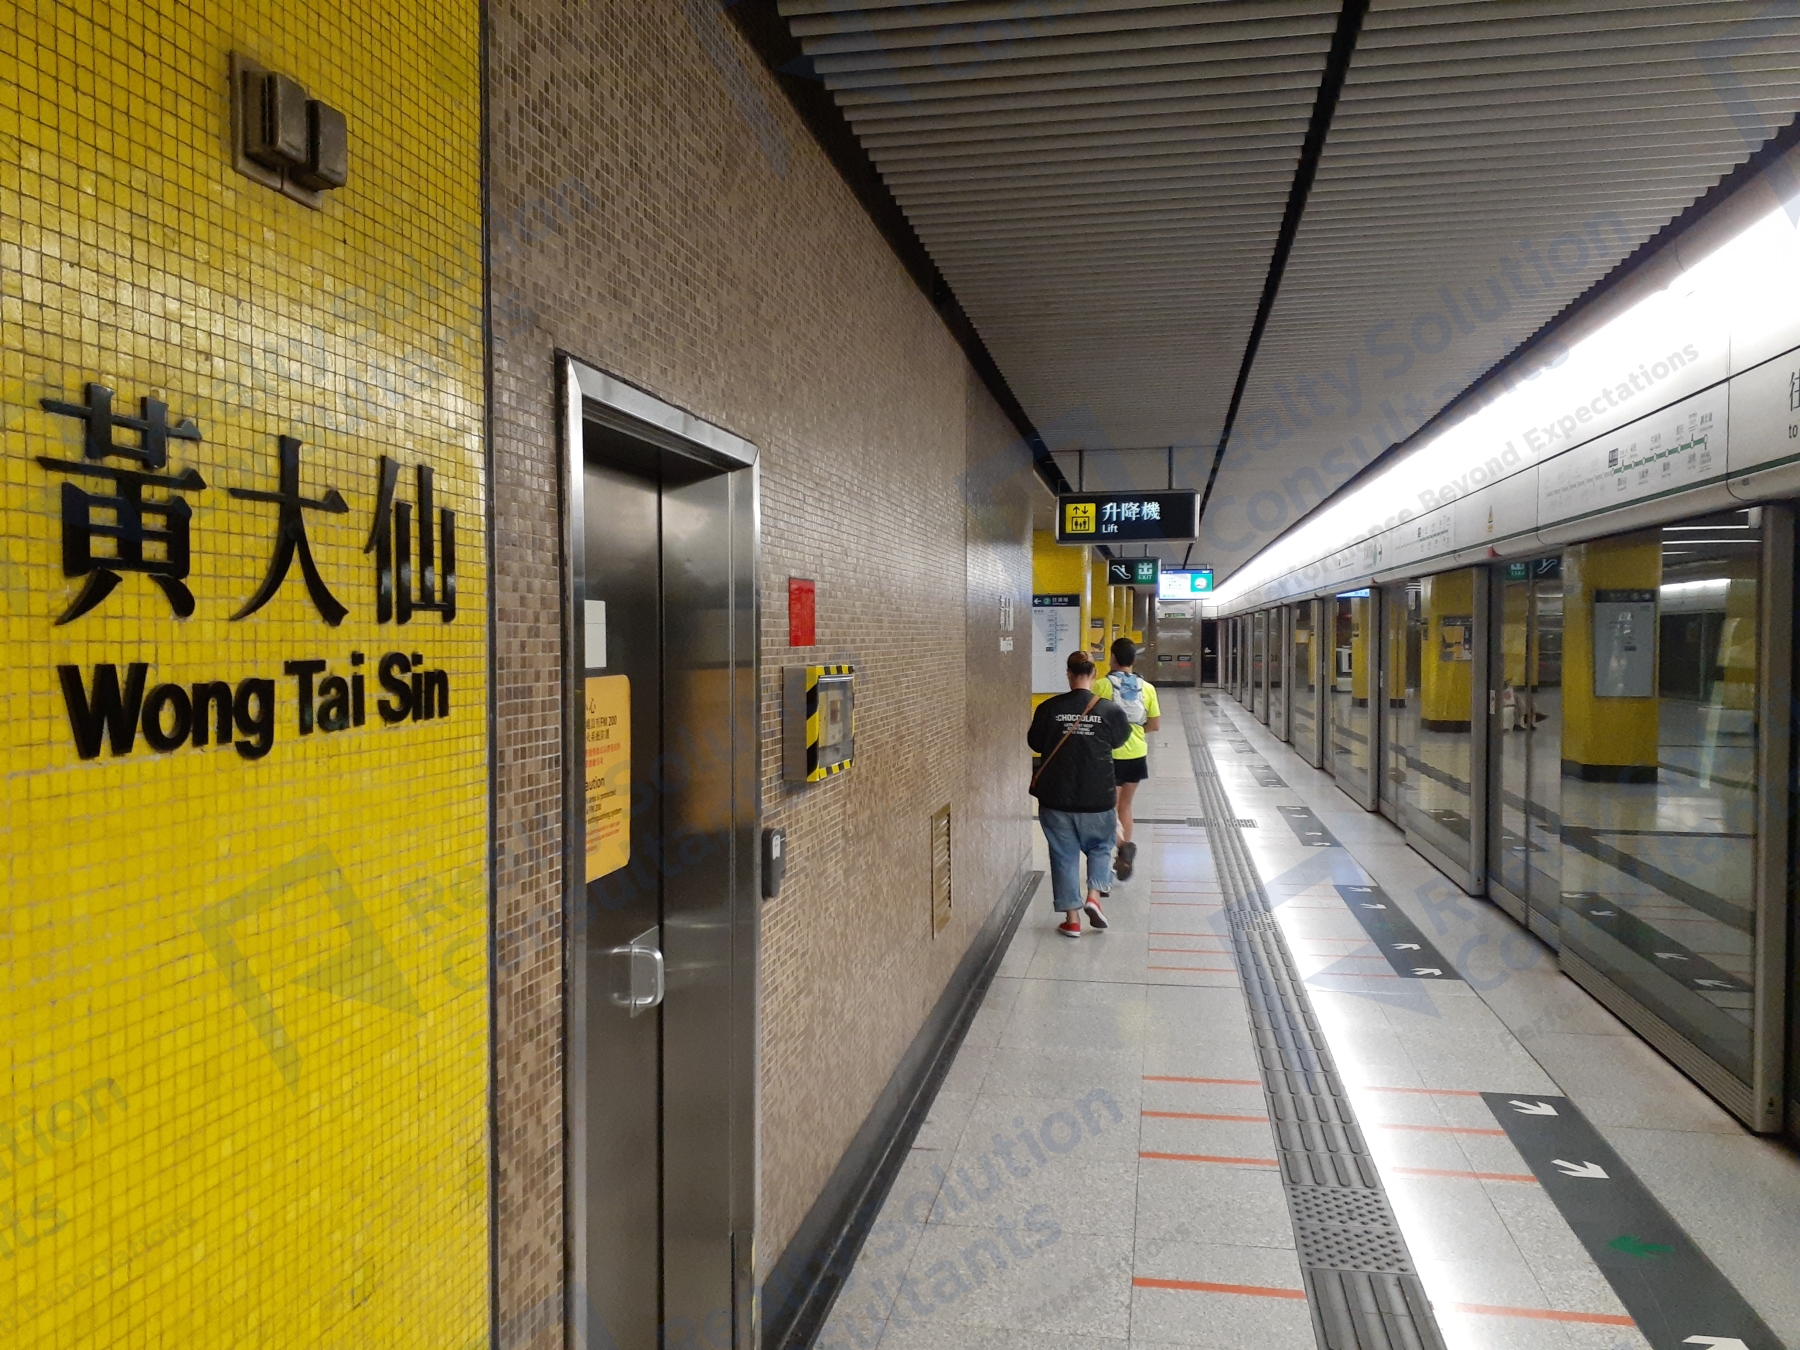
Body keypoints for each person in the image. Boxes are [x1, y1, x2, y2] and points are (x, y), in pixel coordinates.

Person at [1027, 650, 1131, 937]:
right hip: (1098, 796)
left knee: (1064, 854)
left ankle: (1072, 920)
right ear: (1094, 675)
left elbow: (1035, 742)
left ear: (1069, 674)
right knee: (1101, 846)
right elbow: (1120, 741)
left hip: (1056, 796)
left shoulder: (1048, 708)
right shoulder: (1110, 710)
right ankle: (1094, 897)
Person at [1094, 636, 1160, 882]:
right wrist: (1136, 732)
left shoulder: (1101, 686)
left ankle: (1120, 846)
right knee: (1126, 806)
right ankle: (1124, 853)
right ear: (1133, 660)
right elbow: (1154, 724)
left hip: (1109, 754)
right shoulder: (1147, 688)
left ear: (1112, 658)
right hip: (1136, 754)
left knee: (1108, 808)